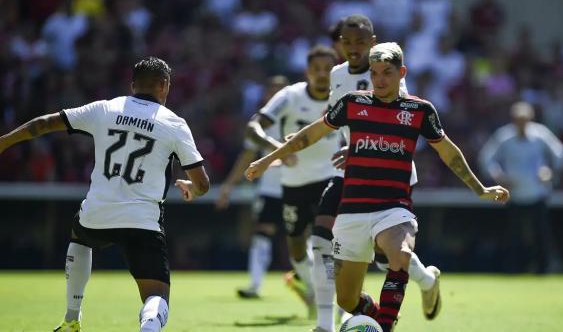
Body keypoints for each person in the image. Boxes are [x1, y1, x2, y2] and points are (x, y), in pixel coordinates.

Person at [245, 42, 510, 332]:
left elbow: (448, 152)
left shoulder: (419, 110)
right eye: (375, 73)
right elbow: (309, 135)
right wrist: (268, 159)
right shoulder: (353, 103)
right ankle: (374, 314)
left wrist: (480, 188)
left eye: (387, 72)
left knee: (401, 255)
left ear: (402, 73)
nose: (380, 80)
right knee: (346, 300)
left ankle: (383, 327)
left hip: (393, 208)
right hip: (352, 211)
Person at [0, 57, 210, 332]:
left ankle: (72, 318)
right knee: (156, 296)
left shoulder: (105, 108)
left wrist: (4, 142)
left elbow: (42, 124)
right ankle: (149, 327)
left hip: (97, 214)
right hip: (142, 221)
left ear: (133, 85)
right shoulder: (174, 123)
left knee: (80, 237)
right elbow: (203, 184)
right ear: (165, 85)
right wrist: (191, 188)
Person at [309, 15, 434, 332]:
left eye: (360, 41)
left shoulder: (384, 68)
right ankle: (328, 321)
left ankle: (424, 280)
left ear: (372, 42)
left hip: (388, 170)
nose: (353, 47)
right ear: (339, 42)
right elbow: (338, 120)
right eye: (347, 41)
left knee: (384, 252)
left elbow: (396, 115)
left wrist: (359, 148)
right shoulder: (337, 75)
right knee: (322, 236)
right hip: (348, 173)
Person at [246, 45, 340, 317]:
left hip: (331, 178)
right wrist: (278, 148)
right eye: (316, 69)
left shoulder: (343, 97)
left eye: (327, 69)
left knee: (328, 239)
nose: (322, 74)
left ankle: (336, 303)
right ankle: (311, 288)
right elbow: (253, 126)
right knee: (296, 248)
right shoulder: (290, 95)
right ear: (307, 71)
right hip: (294, 182)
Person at [215, 75, 289, 298]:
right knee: (262, 233)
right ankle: (255, 284)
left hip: (303, 184)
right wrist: (228, 185)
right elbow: (247, 155)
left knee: (305, 237)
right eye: (272, 90)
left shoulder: (303, 112)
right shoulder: (259, 123)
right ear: (266, 95)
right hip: (271, 187)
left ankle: (314, 289)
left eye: (281, 90)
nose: (276, 95)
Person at [479, 101, 563, 273]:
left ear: (530, 118)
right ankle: (514, 269)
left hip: (537, 192)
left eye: (524, 119)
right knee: (514, 236)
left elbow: (560, 154)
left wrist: (550, 172)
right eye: (518, 119)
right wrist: (498, 175)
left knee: (541, 235)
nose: (521, 122)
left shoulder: (541, 135)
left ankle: (543, 269)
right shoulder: (504, 136)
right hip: (514, 194)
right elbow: (486, 158)